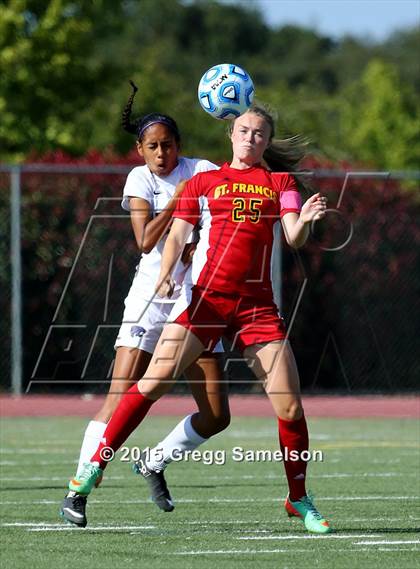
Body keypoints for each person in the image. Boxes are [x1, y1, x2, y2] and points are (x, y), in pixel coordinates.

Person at [66, 103, 332, 534]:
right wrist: (169, 276)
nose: (250, 138)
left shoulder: (279, 181)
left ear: (267, 141)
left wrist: (304, 219)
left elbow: (292, 236)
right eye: (243, 130)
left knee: (290, 403)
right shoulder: (204, 181)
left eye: (259, 133)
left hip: (256, 308)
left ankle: (298, 498)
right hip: (205, 302)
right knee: (151, 383)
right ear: (230, 135)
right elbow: (176, 235)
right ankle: (91, 472)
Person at [60, 81, 230, 527]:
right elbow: (144, 241)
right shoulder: (141, 179)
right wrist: (180, 198)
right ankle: (78, 488)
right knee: (120, 397)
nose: (161, 154)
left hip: (195, 299)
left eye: (169, 145)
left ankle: (154, 462)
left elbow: (231, 201)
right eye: (153, 146)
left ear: (180, 146)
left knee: (216, 415)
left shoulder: (202, 168)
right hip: (150, 299)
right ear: (140, 149)